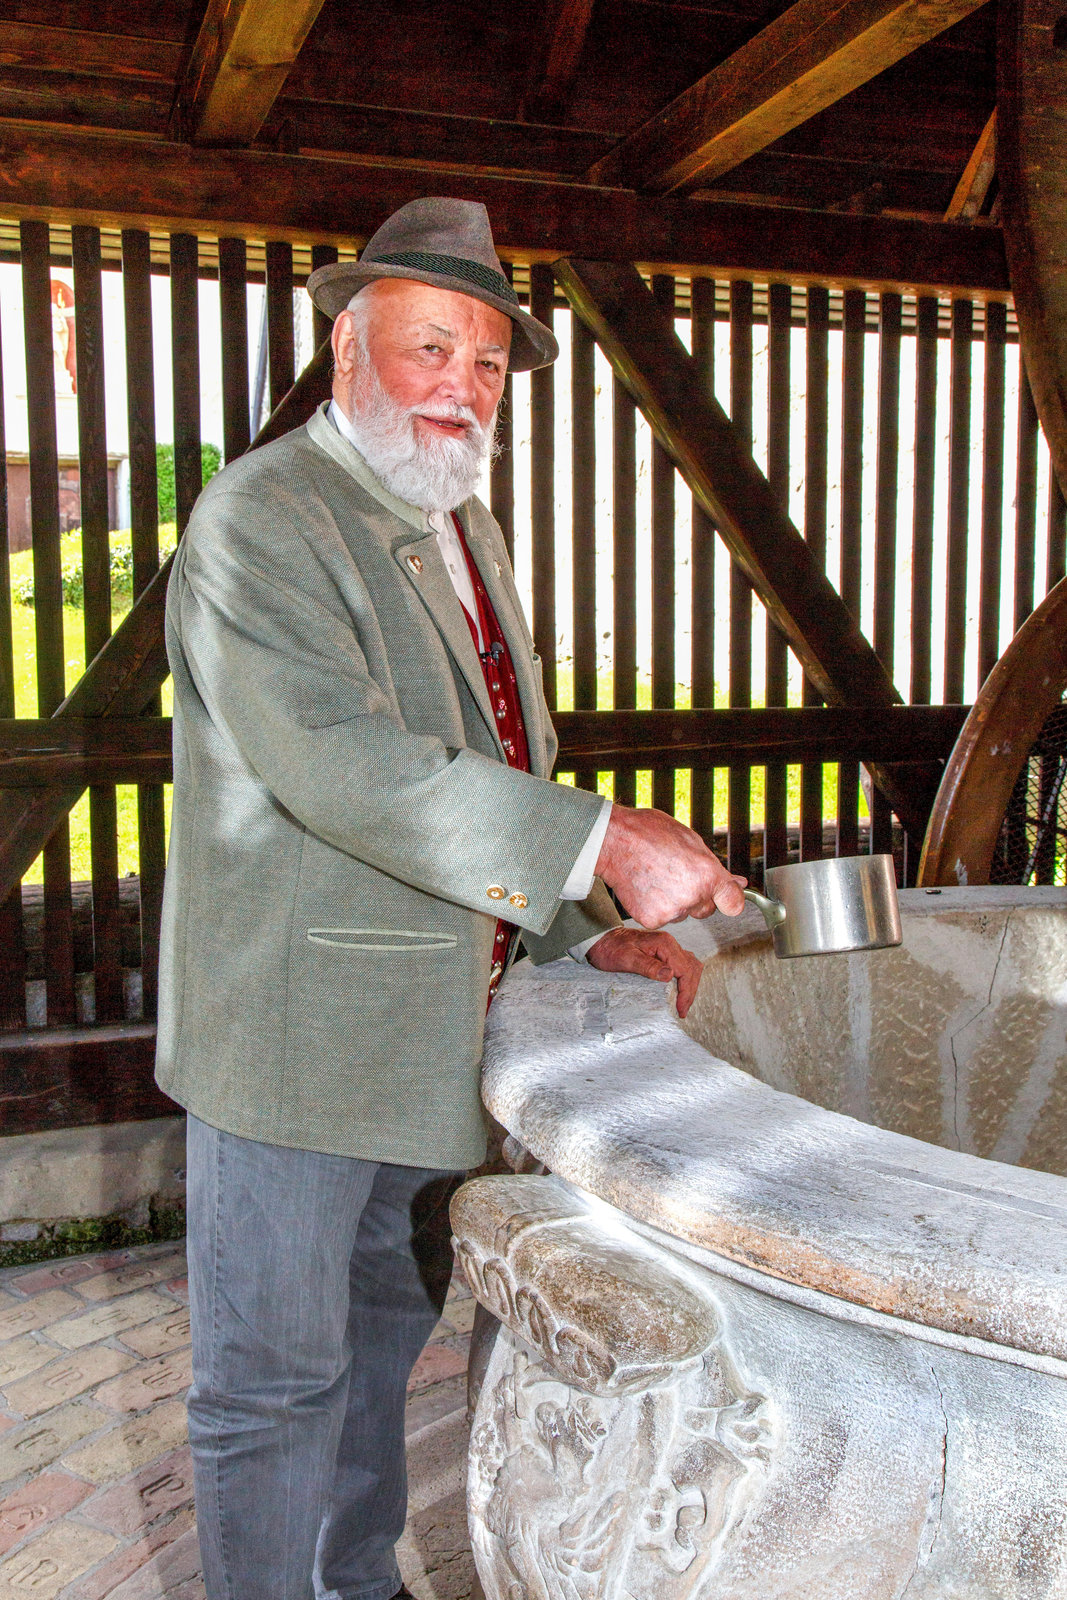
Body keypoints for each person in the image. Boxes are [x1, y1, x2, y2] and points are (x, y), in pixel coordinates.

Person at [156, 196, 746, 1600]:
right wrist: (606, 839)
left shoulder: (454, 518)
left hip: (424, 1046)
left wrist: (596, 931)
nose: (462, 387)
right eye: (431, 347)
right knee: (270, 1388)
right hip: (294, 1051)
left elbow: (496, 757)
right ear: (346, 348)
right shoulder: (263, 516)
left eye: (486, 364)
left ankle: (355, 1582)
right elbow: (344, 764)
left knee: (375, 1356)